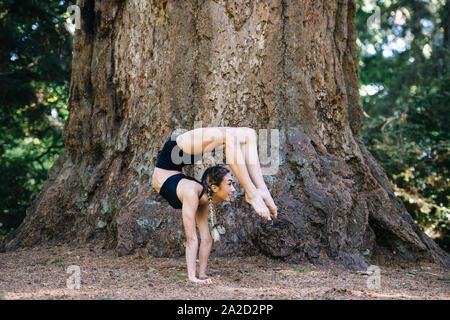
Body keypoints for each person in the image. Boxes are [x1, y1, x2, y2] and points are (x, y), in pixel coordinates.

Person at [152, 127, 278, 284]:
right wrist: (192, 277)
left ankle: (261, 189)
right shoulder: (192, 193)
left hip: (176, 162)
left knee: (249, 134)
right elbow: (191, 239)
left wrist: (203, 275)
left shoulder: (202, 198)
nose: (233, 189)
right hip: (175, 149)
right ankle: (252, 193)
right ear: (214, 188)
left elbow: (206, 239)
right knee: (230, 137)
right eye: (230, 184)